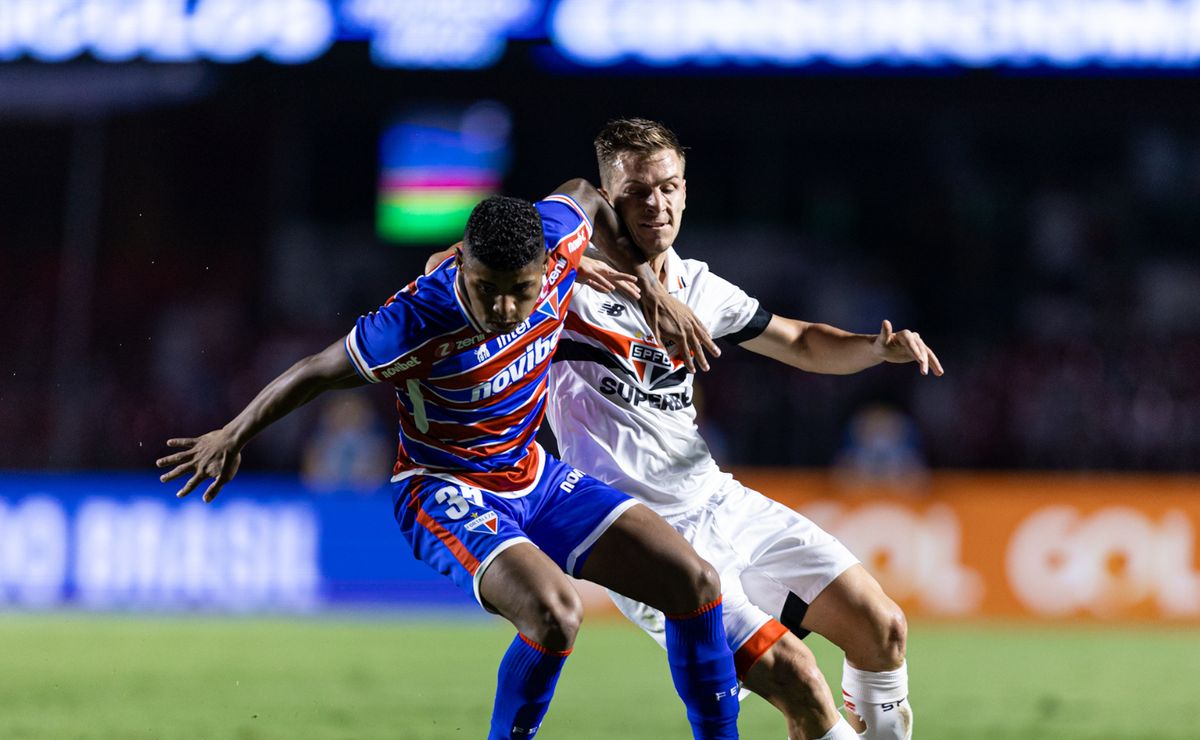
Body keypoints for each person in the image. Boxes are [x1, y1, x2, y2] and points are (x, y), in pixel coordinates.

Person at [156, 182, 741, 740]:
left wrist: (652, 288)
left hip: (531, 472)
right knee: (556, 614)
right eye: (489, 289)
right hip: (443, 487)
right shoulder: (413, 321)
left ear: (549, 264)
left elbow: (586, 192)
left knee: (695, 582)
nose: (507, 308)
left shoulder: (561, 239)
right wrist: (231, 435)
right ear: (461, 263)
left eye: (522, 288)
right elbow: (314, 372)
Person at [545, 119, 944, 740]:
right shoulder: (560, 281)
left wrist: (874, 348)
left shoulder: (698, 285)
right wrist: (619, 278)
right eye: (637, 191)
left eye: (670, 187)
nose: (657, 203)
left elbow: (802, 341)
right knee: (802, 682)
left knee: (881, 626)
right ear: (605, 195)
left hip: (717, 500)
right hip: (642, 538)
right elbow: (451, 265)